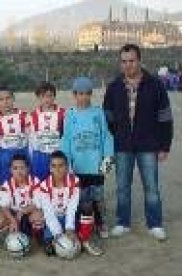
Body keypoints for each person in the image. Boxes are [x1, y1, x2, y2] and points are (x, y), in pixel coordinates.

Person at [103, 44, 173, 241]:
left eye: (131, 61)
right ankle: (122, 222)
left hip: (148, 146)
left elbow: (165, 118)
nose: (128, 65)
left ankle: (155, 224)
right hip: (123, 145)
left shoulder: (155, 85)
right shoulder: (114, 87)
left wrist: (164, 146)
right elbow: (107, 115)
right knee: (122, 187)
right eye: (124, 61)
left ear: (139, 61)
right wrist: (116, 135)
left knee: (151, 187)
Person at [60, 77, 114, 238]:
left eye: (86, 94)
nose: (83, 97)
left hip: (96, 166)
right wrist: (67, 163)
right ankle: (84, 224)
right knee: (82, 199)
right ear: (74, 95)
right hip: (78, 167)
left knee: (98, 198)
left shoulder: (98, 113)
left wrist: (108, 159)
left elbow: (106, 136)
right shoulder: (69, 115)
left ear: (90, 94)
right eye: (80, 94)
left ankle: (101, 223)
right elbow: (66, 140)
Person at [39, 151, 103, 257]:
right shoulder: (44, 186)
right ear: (50, 168)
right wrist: (57, 233)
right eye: (54, 166)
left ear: (67, 167)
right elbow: (48, 212)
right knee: (50, 250)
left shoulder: (75, 181)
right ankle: (59, 236)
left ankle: (85, 240)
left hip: (71, 217)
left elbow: (72, 207)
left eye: (61, 166)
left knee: (87, 205)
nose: (57, 170)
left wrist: (69, 228)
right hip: (55, 218)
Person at [0, 154, 43, 241]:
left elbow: (37, 203)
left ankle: (35, 236)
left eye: (22, 168)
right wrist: (13, 220)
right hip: (14, 213)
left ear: (28, 169)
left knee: (38, 217)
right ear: (10, 170)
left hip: (29, 212)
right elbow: (4, 207)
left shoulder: (35, 181)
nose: (19, 172)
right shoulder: (7, 184)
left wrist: (22, 212)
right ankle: (12, 233)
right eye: (15, 168)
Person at [29, 82, 65, 181]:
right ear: (39, 97)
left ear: (54, 96)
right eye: (43, 96)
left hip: (57, 155)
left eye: (50, 96)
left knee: (57, 184)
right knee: (40, 185)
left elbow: (66, 136)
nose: (47, 99)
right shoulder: (33, 115)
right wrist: (32, 158)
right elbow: (31, 139)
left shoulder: (63, 113)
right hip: (39, 156)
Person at [0, 86, 29, 184]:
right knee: (6, 187)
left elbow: (31, 139)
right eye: (1, 99)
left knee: (24, 186)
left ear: (13, 98)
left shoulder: (25, 116)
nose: (5, 102)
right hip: (4, 159)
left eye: (8, 98)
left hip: (22, 155)